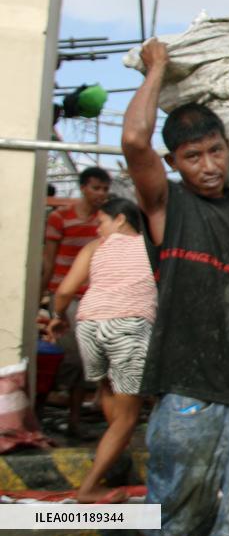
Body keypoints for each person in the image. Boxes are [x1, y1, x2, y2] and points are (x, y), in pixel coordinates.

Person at [122, 39, 229, 536]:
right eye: (193, 156)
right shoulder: (167, 205)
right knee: (170, 518)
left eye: (217, 151)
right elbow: (135, 141)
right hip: (188, 390)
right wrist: (155, 69)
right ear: (174, 162)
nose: (209, 165)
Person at [48, 197, 156, 503]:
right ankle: (90, 487)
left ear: (120, 219)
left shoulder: (95, 249)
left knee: (108, 391)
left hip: (90, 325)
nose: (98, 228)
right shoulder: (151, 246)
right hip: (128, 325)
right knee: (129, 416)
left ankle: (112, 457)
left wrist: (57, 317)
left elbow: (66, 290)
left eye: (101, 222)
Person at [41, 166, 111, 438]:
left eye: (105, 189)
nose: (101, 194)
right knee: (70, 358)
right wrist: (43, 294)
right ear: (83, 188)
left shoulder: (103, 223)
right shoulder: (60, 218)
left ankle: (74, 419)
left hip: (92, 298)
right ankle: (63, 414)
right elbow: (49, 259)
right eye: (96, 188)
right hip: (64, 297)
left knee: (86, 359)